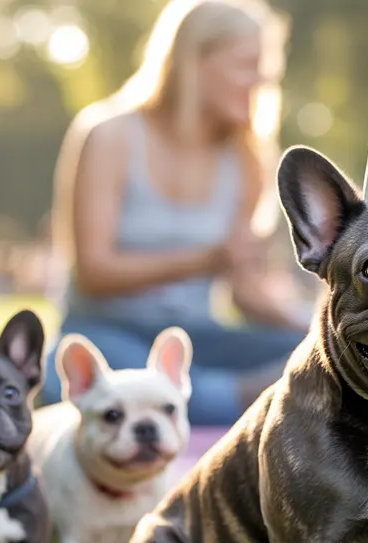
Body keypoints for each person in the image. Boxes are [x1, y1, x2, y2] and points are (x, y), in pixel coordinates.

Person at [40, 0, 308, 425]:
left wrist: (316, 329)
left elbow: (244, 292)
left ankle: (260, 391)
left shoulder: (247, 158)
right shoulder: (108, 135)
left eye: (265, 67)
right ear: (196, 61)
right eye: (246, 64)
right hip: (103, 329)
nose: (261, 80)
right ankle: (246, 397)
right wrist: (205, 260)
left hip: (192, 339)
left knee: (313, 351)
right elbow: (93, 271)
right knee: (122, 384)